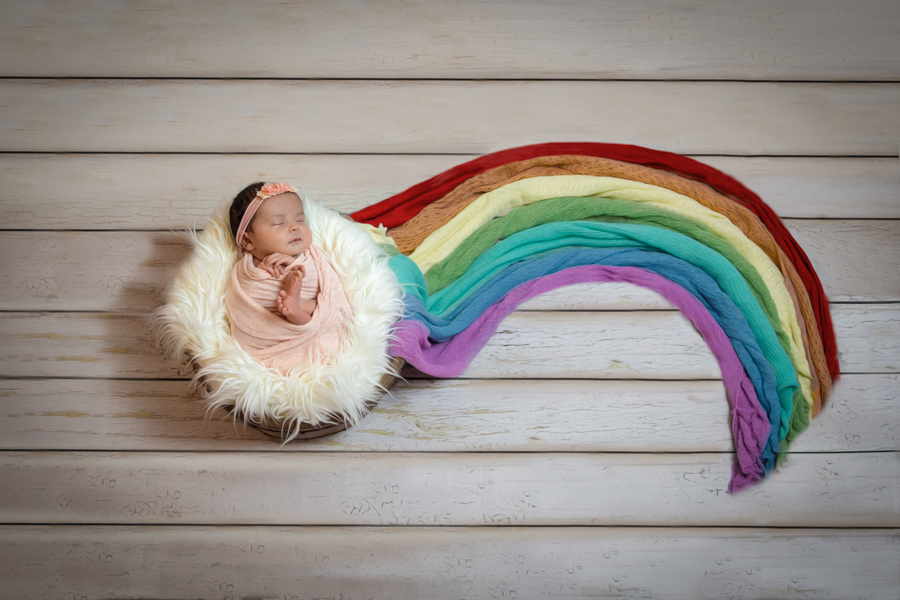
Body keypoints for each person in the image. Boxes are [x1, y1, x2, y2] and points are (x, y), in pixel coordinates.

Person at [226, 181, 352, 373]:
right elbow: (247, 304)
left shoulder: (312, 255)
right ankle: (296, 309)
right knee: (285, 301)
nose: (295, 227)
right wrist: (264, 269)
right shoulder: (248, 271)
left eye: (300, 220)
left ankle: (300, 308)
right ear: (247, 240)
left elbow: (331, 291)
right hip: (271, 338)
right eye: (279, 223)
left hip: (317, 314)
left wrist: (294, 264)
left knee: (320, 301)